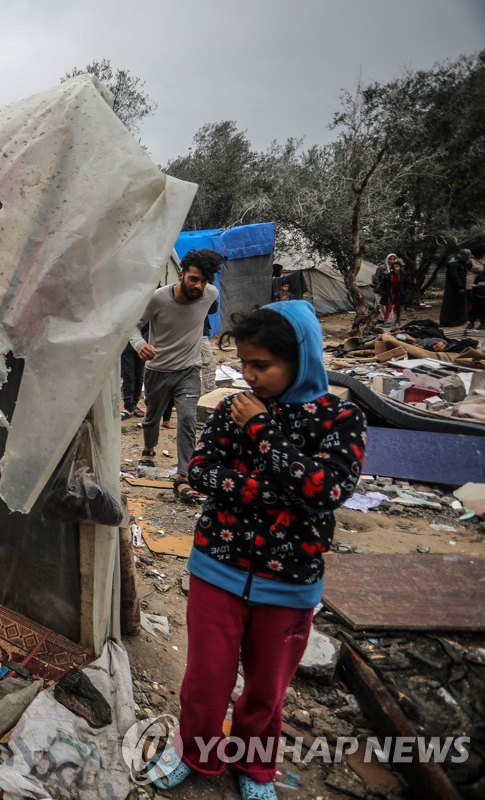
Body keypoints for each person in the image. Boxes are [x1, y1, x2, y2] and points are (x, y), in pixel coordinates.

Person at [147, 301, 366, 800]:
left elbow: (327, 490)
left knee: (266, 689)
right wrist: (281, 488)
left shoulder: (340, 417)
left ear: (300, 359)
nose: (248, 376)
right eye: (244, 363)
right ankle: (194, 753)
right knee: (207, 678)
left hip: (290, 580)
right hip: (217, 567)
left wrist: (263, 432)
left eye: (261, 365)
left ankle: (255, 768)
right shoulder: (230, 406)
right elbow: (199, 472)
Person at [129, 248, 221, 503]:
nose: (199, 286)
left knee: (188, 418)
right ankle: (148, 449)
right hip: (158, 370)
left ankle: (184, 474)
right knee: (151, 417)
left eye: (204, 281)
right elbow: (133, 327)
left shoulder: (210, 294)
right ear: (180, 275)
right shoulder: (158, 298)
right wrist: (140, 346)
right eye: (193, 279)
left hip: (189, 370)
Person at [439, 248, 471, 328]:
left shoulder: (461, 263)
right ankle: (448, 322)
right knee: (450, 305)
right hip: (453, 290)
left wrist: (469, 264)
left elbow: (465, 272)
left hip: (459, 289)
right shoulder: (453, 264)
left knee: (459, 305)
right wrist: (459, 286)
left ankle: (458, 321)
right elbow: (454, 277)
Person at [380, 259, 412, 327]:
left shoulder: (405, 276)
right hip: (391, 294)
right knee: (389, 307)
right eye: (394, 267)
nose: (395, 268)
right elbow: (382, 285)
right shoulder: (388, 276)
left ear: (400, 267)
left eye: (397, 266)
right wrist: (383, 293)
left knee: (399, 308)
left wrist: (406, 292)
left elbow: (408, 285)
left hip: (400, 294)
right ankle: (386, 321)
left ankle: (398, 320)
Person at [371, 254, 397, 324]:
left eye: (393, 259)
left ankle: (388, 320)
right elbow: (376, 279)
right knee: (380, 305)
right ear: (387, 259)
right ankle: (380, 319)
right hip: (380, 291)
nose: (392, 261)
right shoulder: (381, 268)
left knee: (390, 306)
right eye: (390, 259)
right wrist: (380, 288)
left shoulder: (396, 268)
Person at [467, 252, 485, 330]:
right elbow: (474, 286)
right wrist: (472, 295)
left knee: (483, 312)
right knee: (472, 311)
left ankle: (483, 324)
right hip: (477, 296)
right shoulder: (479, 276)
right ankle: (471, 323)